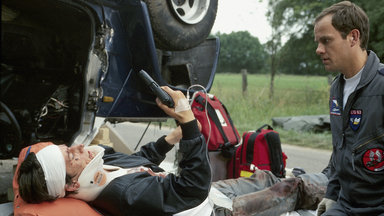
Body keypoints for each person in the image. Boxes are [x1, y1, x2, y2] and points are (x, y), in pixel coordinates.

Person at [17, 86, 212, 215]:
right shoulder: (126, 196)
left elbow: (135, 164)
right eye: (71, 155)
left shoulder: (98, 167)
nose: (80, 147)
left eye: (68, 147)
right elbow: (193, 188)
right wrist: (187, 121)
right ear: (72, 185)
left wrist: (173, 137)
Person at [314, 1, 384, 215]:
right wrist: (332, 194)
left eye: (326, 41)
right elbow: (340, 149)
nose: (318, 50)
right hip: (346, 204)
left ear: (353, 37)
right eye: (317, 42)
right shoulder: (336, 88)